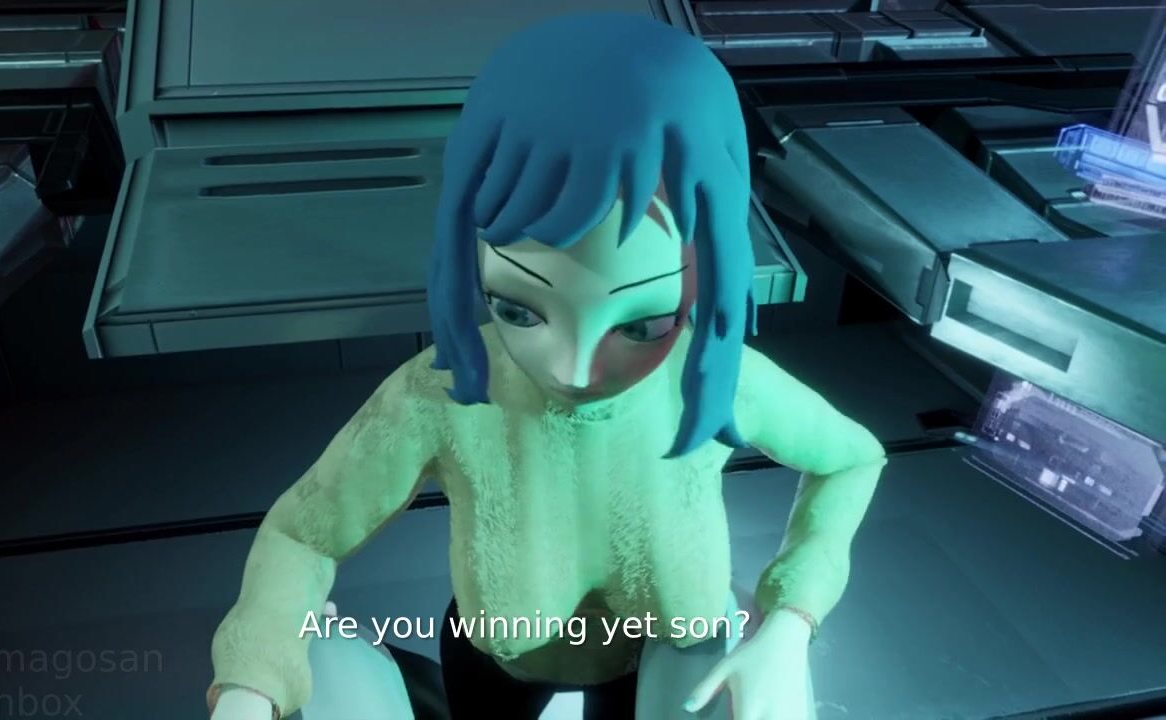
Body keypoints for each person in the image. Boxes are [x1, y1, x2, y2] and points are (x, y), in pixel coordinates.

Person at [206, 12, 888, 720]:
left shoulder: (716, 379)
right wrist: (254, 677)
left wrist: (789, 622)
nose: (573, 369)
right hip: (493, 674)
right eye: (520, 308)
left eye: (641, 323)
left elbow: (851, 459)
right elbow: (302, 532)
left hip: (654, 671)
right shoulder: (444, 393)